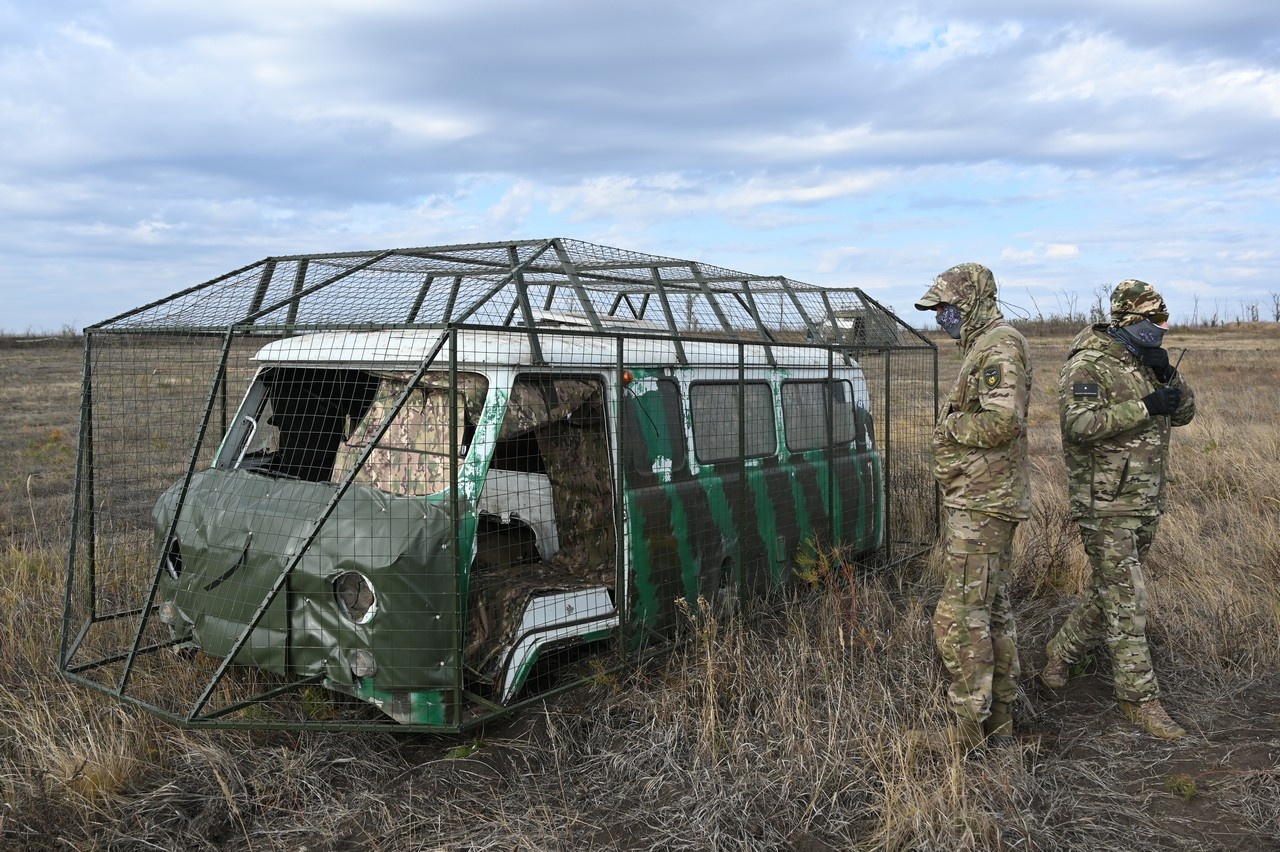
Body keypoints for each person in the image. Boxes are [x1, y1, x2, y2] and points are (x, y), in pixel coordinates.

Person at [1040, 279, 1194, 740]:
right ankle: (1139, 701)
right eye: (1155, 319)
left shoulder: (1146, 361)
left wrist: (1168, 376)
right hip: (1105, 502)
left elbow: (1184, 414)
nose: (1162, 326)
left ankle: (1061, 654)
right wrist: (1145, 406)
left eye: (1165, 318)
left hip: (1145, 499)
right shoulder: (1088, 365)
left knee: (1110, 589)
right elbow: (1080, 424)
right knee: (1129, 599)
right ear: (1129, 319)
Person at [914, 262, 1032, 751]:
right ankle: (1000, 724)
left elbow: (1003, 422)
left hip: (984, 503)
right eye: (937, 308)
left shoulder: (998, 347)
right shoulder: (984, 345)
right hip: (983, 499)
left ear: (972, 302)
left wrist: (948, 428)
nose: (940, 316)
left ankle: (965, 731)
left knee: (958, 618)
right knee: (992, 611)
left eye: (946, 306)